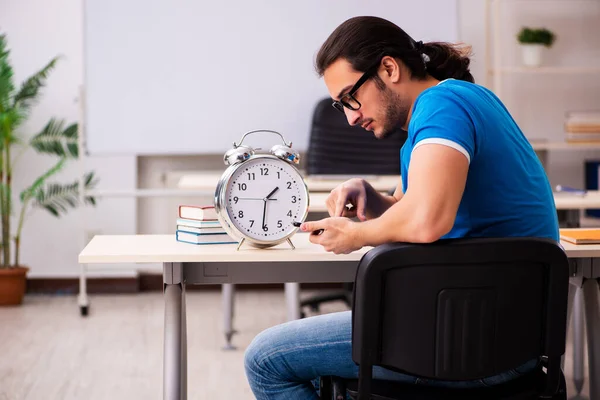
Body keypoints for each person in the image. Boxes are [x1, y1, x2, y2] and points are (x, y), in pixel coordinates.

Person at [244, 16, 559, 399]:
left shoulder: (442, 107)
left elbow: (427, 221)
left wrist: (356, 234)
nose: (350, 116)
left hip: (467, 336)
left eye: (351, 98)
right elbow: (415, 206)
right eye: (340, 104)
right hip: (507, 333)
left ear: (389, 68)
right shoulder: (456, 103)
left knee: (266, 359)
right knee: (311, 371)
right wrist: (374, 200)